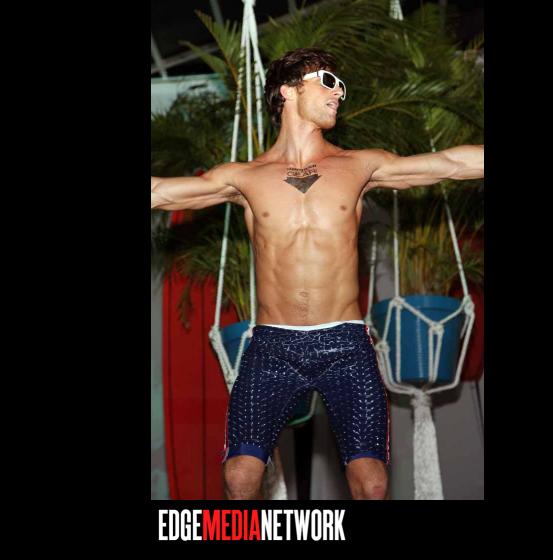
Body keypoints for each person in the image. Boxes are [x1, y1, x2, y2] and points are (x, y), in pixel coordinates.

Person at [151, 47, 484, 500]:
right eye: (328, 81)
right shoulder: (244, 177)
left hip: (346, 344)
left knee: (372, 483)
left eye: (341, 86)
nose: (338, 93)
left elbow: (449, 163)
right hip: (272, 346)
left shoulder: (359, 165)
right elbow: (161, 192)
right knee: (240, 477)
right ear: (288, 91)